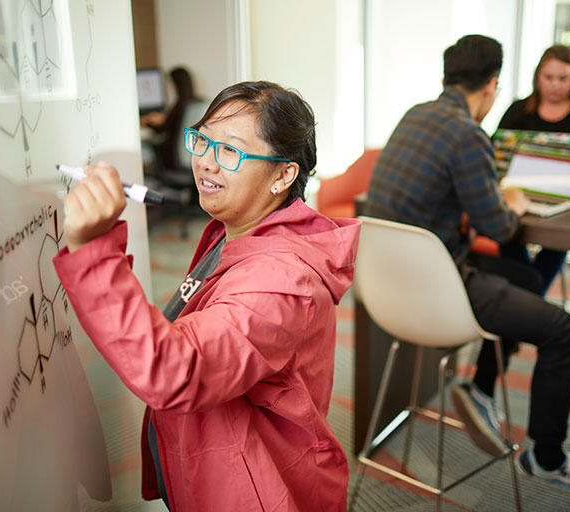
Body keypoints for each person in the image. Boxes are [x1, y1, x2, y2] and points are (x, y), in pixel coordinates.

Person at [53, 81, 360, 510]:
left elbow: (175, 369)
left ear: (283, 175)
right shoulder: (234, 231)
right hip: (221, 463)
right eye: (202, 140)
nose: (205, 163)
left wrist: (93, 250)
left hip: (257, 490)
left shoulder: (281, 280)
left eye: (230, 151)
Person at [364, 34, 570, 490]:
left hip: (385, 289)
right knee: (567, 333)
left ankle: (482, 388)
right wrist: (513, 203)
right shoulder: (468, 134)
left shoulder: (414, 114)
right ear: (491, 84)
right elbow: (500, 228)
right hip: (439, 294)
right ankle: (546, 459)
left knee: (525, 278)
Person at [497, 45, 570, 294]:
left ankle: (526, 298)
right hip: (516, 196)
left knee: (559, 238)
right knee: (504, 228)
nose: (555, 85)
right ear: (538, 77)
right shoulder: (518, 110)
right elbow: (499, 154)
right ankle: (531, 298)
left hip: (565, 204)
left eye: (563, 78)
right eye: (549, 77)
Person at [141, 66, 196, 170]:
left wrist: (146, 121)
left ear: (175, 84)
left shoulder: (180, 105)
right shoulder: (193, 103)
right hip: (186, 154)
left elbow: (161, 129)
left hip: (171, 156)